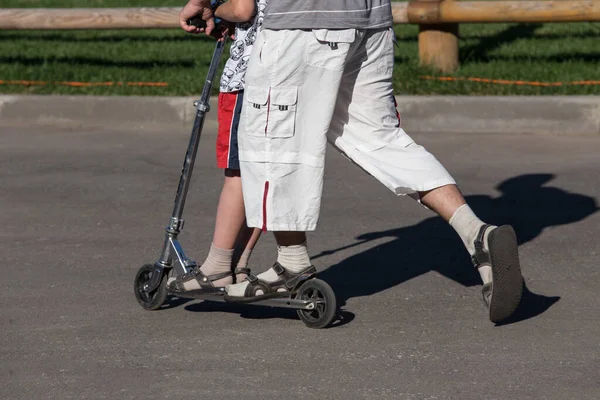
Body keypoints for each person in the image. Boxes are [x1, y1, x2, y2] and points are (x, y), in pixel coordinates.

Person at [179, 0, 524, 323]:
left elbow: (243, 6)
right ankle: (475, 232)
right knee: (382, 140)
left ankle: (291, 263)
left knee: (273, 143)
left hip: (303, 23)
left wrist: (204, 4)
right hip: (370, 20)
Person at [168, 0, 267, 293]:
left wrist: (215, 7)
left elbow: (242, 9)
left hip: (250, 76)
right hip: (289, 71)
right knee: (265, 172)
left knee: (238, 172)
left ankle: (217, 267)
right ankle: (238, 264)